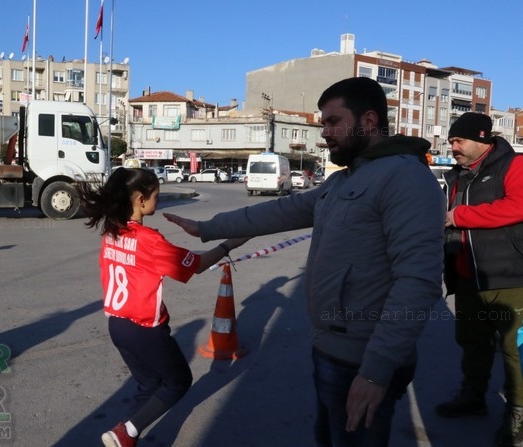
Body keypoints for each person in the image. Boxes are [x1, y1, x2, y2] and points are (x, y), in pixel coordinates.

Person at [163, 76, 445, 446]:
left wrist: (376, 373)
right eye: (322, 122)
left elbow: (418, 283)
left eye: (333, 121)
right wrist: (206, 228)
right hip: (330, 349)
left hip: (363, 361)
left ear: (370, 122)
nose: (324, 132)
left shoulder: (406, 178)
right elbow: (280, 212)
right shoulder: (343, 181)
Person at [75, 167, 248, 447]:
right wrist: (229, 245)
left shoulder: (111, 232)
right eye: (156, 195)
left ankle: (124, 435)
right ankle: (127, 432)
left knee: (149, 385)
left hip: (117, 325)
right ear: (141, 199)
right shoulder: (150, 241)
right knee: (178, 382)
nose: (158, 199)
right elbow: (198, 265)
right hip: (145, 330)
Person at [435, 112, 523, 447]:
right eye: (451, 141)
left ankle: (518, 414)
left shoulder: (514, 165)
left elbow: (518, 205)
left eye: (459, 141)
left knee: (514, 349)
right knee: (472, 342)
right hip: (467, 276)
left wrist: (458, 215)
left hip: (509, 275)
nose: (452, 146)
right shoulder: (457, 175)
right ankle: (472, 397)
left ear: (482, 138)